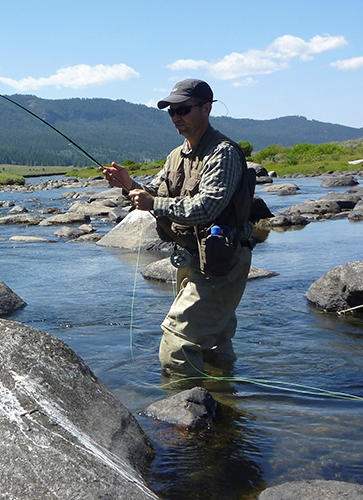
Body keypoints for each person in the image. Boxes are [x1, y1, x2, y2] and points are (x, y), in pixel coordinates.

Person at [100, 78, 254, 376]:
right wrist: (128, 184)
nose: (176, 117)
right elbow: (154, 190)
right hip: (193, 258)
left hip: (223, 261)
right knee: (213, 344)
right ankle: (222, 406)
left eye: (183, 109)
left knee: (177, 346)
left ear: (206, 108)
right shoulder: (175, 156)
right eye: (171, 112)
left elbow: (206, 207)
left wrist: (153, 204)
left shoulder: (223, 153)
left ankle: (186, 416)